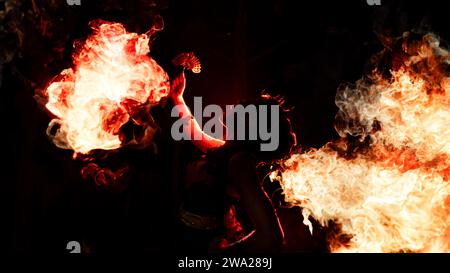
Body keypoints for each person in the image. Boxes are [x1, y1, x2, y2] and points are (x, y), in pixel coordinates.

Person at [170, 62, 297, 253]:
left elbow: (271, 237)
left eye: (250, 104)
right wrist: (178, 98)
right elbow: (195, 133)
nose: (243, 102)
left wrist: (224, 254)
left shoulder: (240, 163)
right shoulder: (227, 151)